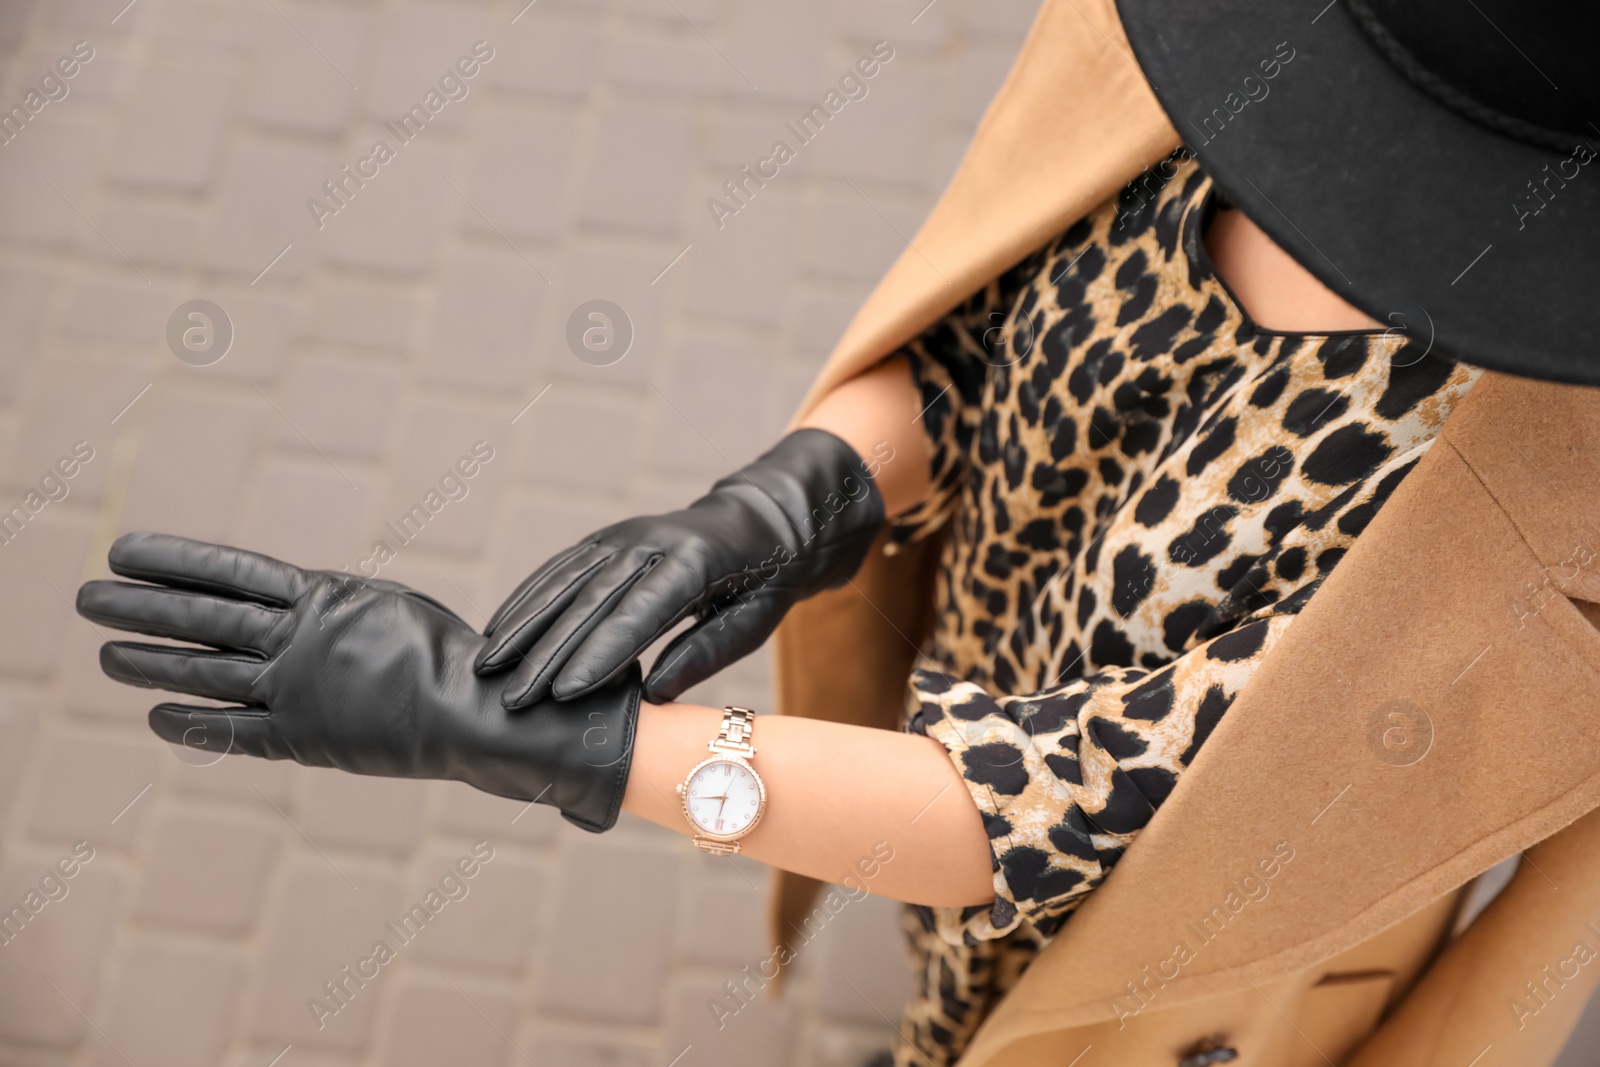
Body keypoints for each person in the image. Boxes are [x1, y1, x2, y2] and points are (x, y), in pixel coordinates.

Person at [80, 0, 1600, 1064]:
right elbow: (991, 330)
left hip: (1173, 949)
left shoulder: (1560, 530)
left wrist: (553, 745)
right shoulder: (1216, 71)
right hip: (954, 716)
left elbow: (1065, 804)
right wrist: (799, 494)